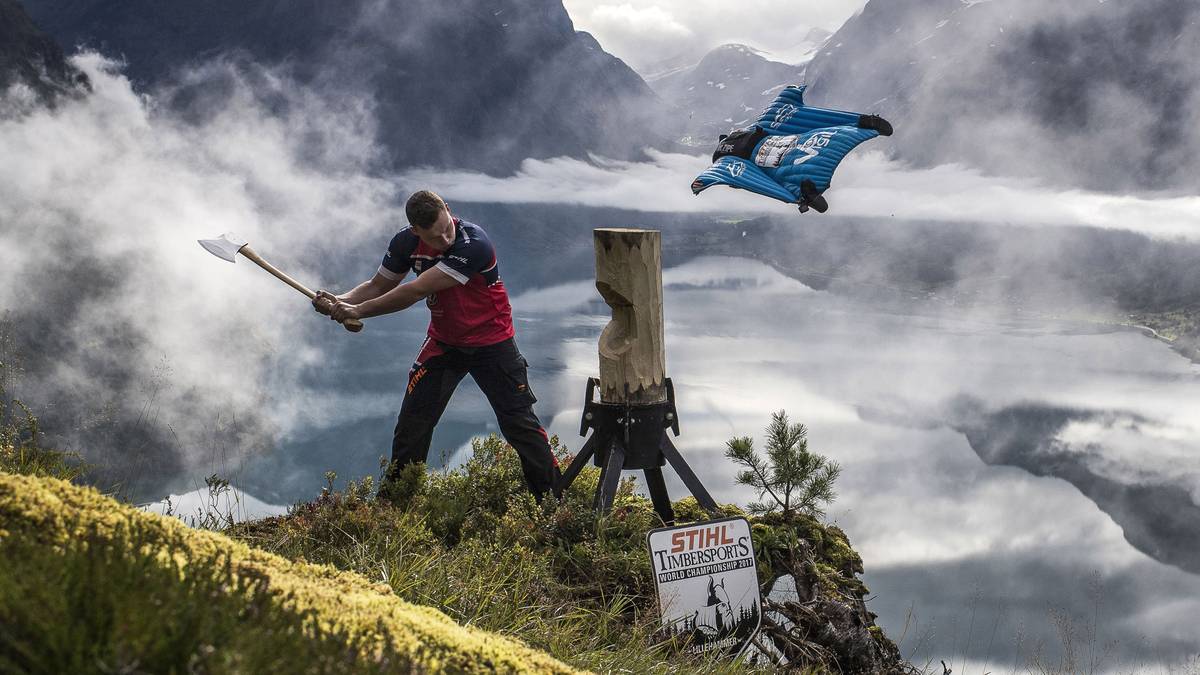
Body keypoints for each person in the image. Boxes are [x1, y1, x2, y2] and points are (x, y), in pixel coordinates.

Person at [314, 190, 561, 501]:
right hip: (444, 343)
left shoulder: (474, 244)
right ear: (416, 231)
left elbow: (416, 290)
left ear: (448, 208)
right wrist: (340, 301)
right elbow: (379, 285)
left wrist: (358, 311)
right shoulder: (405, 242)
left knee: (518, 424)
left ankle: (553, 502)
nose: (445, 239)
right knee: (412, 425)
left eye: (447, 229)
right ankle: (394, 506)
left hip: (493, 342)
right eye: (435, 236)